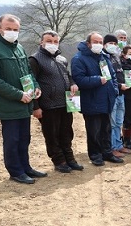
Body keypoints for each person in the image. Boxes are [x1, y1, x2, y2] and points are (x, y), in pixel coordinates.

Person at [0, 14, 46, 184]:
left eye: (16, 30)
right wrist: (18, 94)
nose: (13, 32)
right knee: (12, 140)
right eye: (8, 29)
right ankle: (15, 171)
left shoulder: (19, 48)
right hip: (8, 104)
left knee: (24, 138)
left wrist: (35, 87)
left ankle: (26, 167)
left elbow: (28, 71)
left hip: (25, 102)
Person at [29, 30, 84, 173]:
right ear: (41, 42)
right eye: (49, 41)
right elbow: (31, 83)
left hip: (66, 103)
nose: (52, 44)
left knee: (66, 133)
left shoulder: (62, 59)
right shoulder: (35, 60)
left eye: (55, 41)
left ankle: (70, 158)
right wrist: (35, 107)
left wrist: (72, 83)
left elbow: (68, 75)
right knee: (52, 135)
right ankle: (59, 161)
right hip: (48, 105)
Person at [71, 32, 123, 166]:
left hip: (107, 100)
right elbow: (79, 79)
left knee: (106, 129)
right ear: (88, 43)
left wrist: (114, 90)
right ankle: (95, 155)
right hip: (91, 101)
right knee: (94, 131)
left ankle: (107, 152)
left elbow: (113, 76)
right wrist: (97, 80)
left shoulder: (104, 57)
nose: (98, 45)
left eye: (100, 42)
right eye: (95, 42)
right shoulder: (79, 58)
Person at [102, 34, 130, 157]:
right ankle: (112, 147)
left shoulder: (116, 56)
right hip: (112, 94)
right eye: (111, 43)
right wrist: (119, 86)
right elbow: (108, 78)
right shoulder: (103, 57)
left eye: (114, 43)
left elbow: (119, 74)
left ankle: (119, 145)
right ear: (104, 44)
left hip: (121, 94)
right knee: (112, 123)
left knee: (119, 121)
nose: (113, 46)